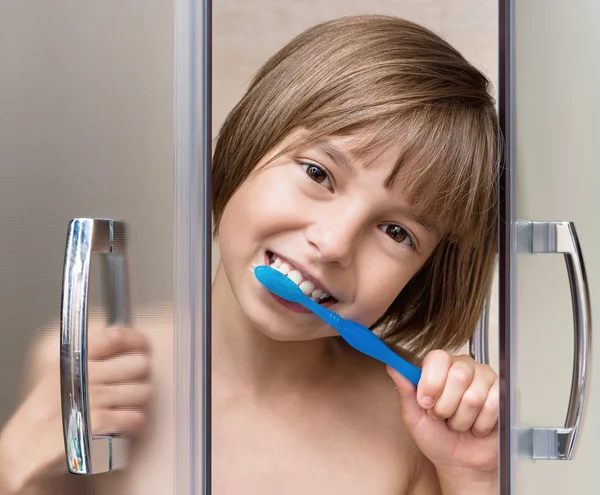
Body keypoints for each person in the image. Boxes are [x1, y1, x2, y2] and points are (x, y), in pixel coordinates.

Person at [0, 14, 500, 495]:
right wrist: (17, 464)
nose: (333, 244)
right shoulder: (80, 365)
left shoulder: (413, 432)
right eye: (317, 174)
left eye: (395, 231)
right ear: (247, 146)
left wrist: (473, 479)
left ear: (424, 275)